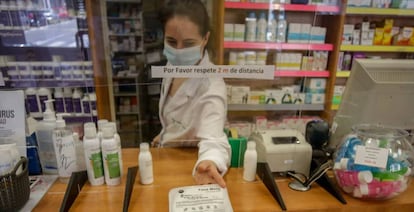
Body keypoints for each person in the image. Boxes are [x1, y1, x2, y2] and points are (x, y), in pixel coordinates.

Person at [152, 0, 231, 188]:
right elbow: (175, 116)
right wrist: (165, 135)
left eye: (188, 43)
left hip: (190, 168)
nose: (178, 51)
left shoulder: (212, 86)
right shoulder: (173, 66)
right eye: (171, 41)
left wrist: (211, 161)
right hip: (167, 157)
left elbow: (214, 140)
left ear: (205, 39)